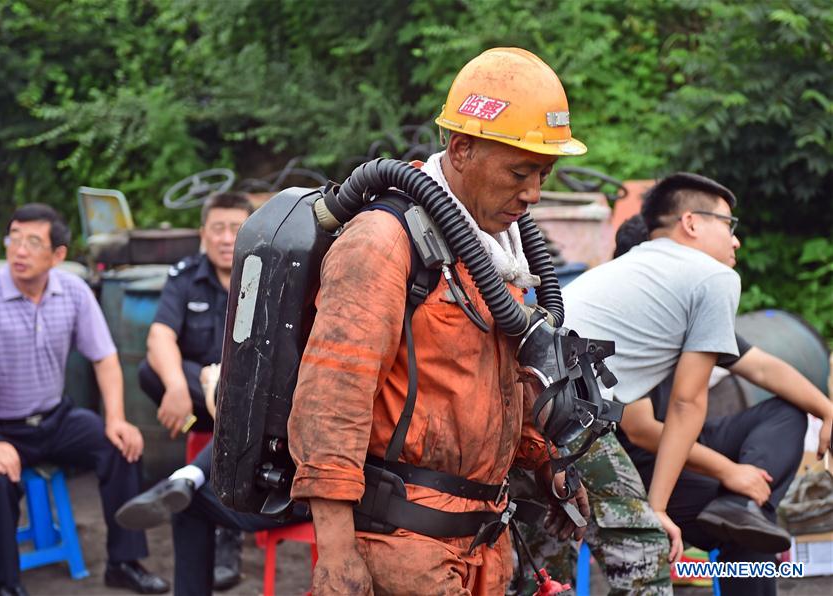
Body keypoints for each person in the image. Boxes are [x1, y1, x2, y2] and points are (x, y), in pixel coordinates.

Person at [287, 47, 591, 595]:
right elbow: (333, 398)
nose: (533, 194)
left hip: (481, 546)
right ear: (461, 149)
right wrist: (335, 552)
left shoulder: (495, 253)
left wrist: (549, 464)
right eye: (519, 172)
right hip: (400, 548)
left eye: (544, 174)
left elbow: (500, 381)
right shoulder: (385, 243)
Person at [522, 173, 748, 594]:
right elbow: (687, 403)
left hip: (518, 404)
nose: (736, 241)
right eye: (728, 225)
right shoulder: (713, 277)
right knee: (642, 549)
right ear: (692, 223)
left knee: (544, 554)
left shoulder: (634, 268)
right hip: (570, 406)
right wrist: (656, 509)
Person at [0, 204, 168, 596]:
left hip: (54, 417)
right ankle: (7, 585)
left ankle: (123, 562)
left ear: (58, 255)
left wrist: (115, 417)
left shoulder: (74, 292)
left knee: (121, 448)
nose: (19, 250)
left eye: (33, 242)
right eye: (14, 238)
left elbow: (105, 357)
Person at [613, 214, 833, 595]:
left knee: (786, 412)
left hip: (688, 444)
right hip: (640, 470)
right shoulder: (623, 315)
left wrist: (828, 410)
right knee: (749, 530)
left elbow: (763, 368)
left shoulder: (686, 308)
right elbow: (641, 429)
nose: (734, 243)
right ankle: (741, 509)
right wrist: (730, 472)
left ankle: (740, 508)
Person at [135, 191, 253, 589]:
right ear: (203, 233)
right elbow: (160, 335)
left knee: (237, 394)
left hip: (250, 406)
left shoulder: (266, 275)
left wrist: (224, 386)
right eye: (217, 228)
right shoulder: (186, 276)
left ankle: (210, 508)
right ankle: (196, 453)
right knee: (150, 371)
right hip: (195, 405)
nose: (225, 237)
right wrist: (177, 385)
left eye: (235, 228)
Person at [116, 360, 306, 596]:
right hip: (286, 472)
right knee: (190, 501)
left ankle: (185, 477)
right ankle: (186, 479)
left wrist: (215, 387)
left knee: (243, 414)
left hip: (307, 494)